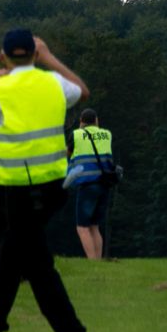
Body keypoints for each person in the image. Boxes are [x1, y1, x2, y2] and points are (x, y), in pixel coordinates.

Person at [0, 29, 88, 332]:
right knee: (26, 254)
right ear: (33, 54)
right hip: (53, 185)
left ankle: (59, 329)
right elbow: (82, 91)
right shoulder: (52, 81)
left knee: (20, 256)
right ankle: (4, 325)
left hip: (12, 188)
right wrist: (50, 59)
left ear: (3, 56)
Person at [65, 108, 118, 260]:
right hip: (105, 184)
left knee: (82, 227)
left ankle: (92, 260)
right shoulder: (106, 134)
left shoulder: (76, 135)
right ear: (96, 120)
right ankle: (98, 261)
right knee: (95, 226)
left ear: (81, 121)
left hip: (87, 185)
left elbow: (67, 154)